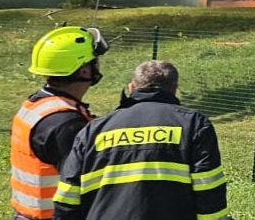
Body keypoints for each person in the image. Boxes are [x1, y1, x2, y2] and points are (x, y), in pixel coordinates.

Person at [53, 60, 232, 220]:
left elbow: (67, 197)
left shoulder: (94, 130)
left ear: (132, 88)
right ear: (174, 89)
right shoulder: (193, 125)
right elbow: (208, 190)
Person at [11, 26, 110, 220]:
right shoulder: (65, 123)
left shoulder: (38, 106)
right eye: (95, 61)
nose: (98, 65)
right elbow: (83, 179)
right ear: (83, 71)